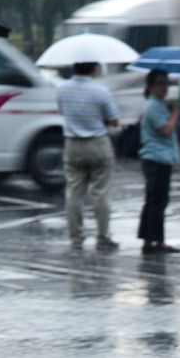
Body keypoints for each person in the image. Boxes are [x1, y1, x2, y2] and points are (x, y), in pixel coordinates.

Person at [58, 62, 120, 251]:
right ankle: (103, 236)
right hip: (98, 144)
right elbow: (114, 120)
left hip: (72, 144)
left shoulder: (62, 89)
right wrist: (99, 118)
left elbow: (63, 113)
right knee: (101, 192)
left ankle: (76, 237)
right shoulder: (101, 91)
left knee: (74, 192)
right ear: (93, 68)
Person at [138, 69, 180, 255]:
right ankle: (156, 242)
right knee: (157, 202)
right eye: (160, 83)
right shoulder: (154, 106)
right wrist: (176, 113)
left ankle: (151, 241)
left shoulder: (157, 104)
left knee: (155, 200)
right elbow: (165, 130)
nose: (164, 87)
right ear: (150, 86)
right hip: (157, 159)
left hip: (158, 158)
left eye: (166, 83)